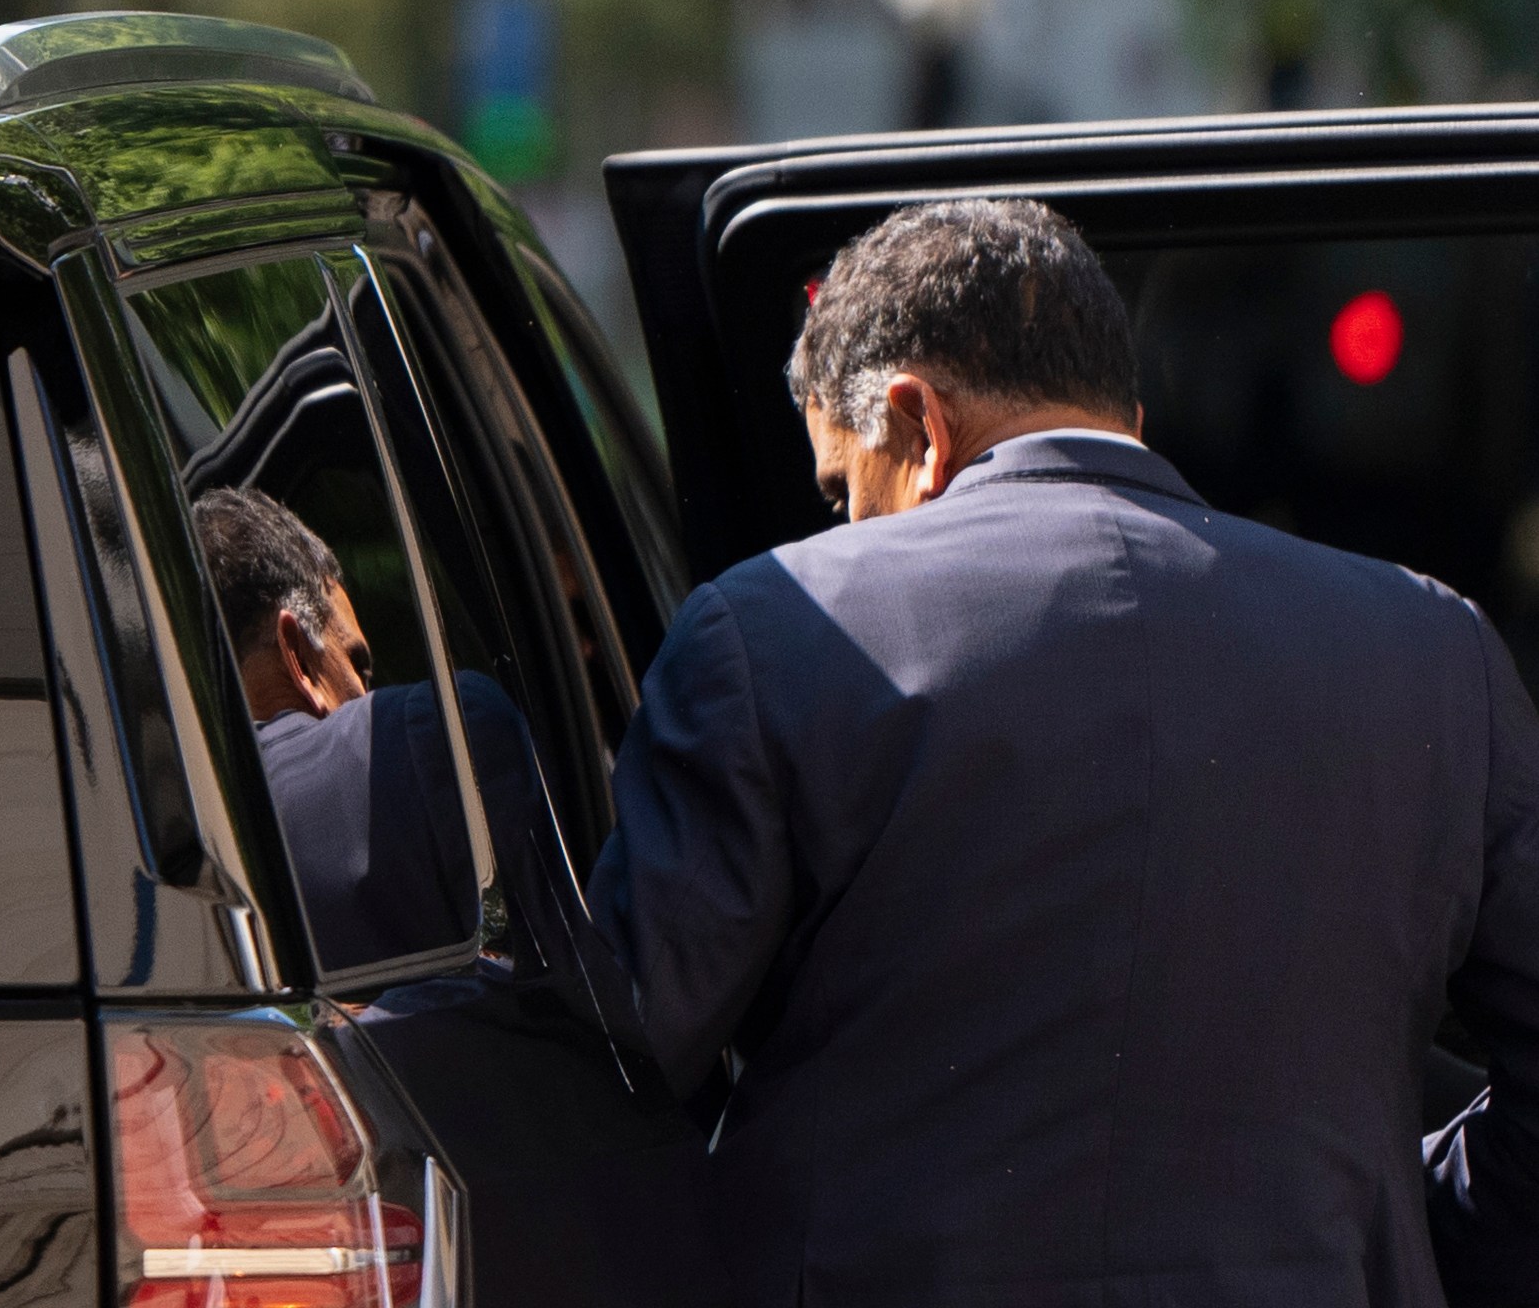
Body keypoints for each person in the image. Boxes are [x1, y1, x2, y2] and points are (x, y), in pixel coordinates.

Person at [589, 198, 1539, 1305]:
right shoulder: (1432, 650)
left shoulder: (778, 633)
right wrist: (1398, 1245)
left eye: (845, 491)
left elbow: (608, 1087)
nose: (844, 530)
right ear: (1128, 418)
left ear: (919, 424)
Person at [192, 486, 478, 971]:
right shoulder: (435, 737)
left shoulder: (152, 862)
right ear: (297, 657)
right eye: (358, 666)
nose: (369, 697)